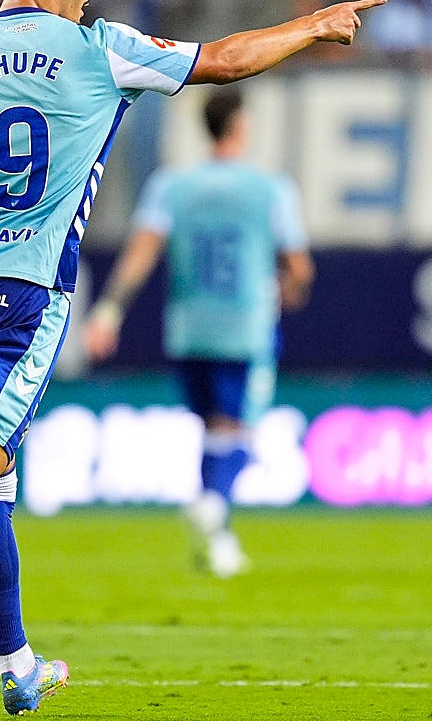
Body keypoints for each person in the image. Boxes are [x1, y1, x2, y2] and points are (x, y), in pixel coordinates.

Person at [0, 0, 383, 714]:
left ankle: (18, 665)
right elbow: (224, 60)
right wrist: (313, 26)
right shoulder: (100, 48)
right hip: (26, 290)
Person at [83, 88, 313, 578]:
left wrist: (108, 312)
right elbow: (298, 266)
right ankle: (212, 502)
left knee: (212, 431)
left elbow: (141, 253)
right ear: (241, 126)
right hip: (245, 328)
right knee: (241, 430)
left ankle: (218, 540)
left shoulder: (171, 186)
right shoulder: (271, 189)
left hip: (188, 328)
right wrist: (291, 288)